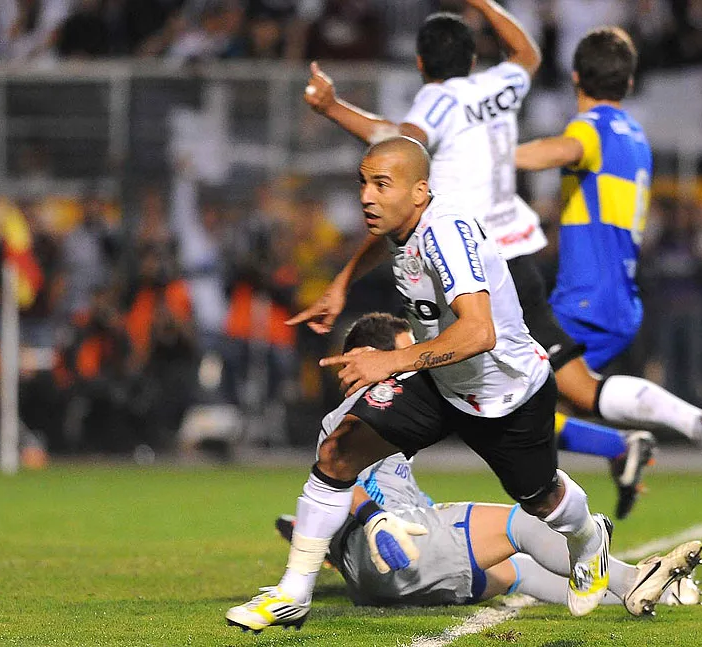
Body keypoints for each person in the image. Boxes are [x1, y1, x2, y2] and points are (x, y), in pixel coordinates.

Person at [302, 3, 702, 514]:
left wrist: (332, 107)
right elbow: (527, 53)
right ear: (474, 58)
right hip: (517, 257)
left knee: (471, 375)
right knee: (555, 386)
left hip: (470, 260)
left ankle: (354, 496)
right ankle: (635, 443)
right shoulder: (499, 87)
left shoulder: (437, 99)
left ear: (420, 64)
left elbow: (399, 143)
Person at [226, 137, 610, 633]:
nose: (367, 196)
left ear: (420, 192)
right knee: (338, 455)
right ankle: (293, 594)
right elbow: (379, 239)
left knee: (542, 500)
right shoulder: (401, 219)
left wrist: (393, 361)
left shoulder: (445, 235)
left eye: (381, 184)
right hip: (442, 380)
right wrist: (342, 283)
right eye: (363, 183)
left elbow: (479, 331)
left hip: (506, 393)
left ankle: (589, 539)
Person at [272, 312, 702, 616]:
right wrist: (370, 518)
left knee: (517, 572)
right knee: (528, 524)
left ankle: (662, 592)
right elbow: (341, 484)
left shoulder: (391, 416)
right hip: (395, 551)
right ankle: (631, 581)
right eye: (404, 354)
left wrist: (318, 535)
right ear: (370, 357)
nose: (414, 363)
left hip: (383, 575)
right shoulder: (354, 416)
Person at [515, 27, 702, 491]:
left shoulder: (590, 128)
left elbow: (566, 149)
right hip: (620, 295)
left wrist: (494, 157)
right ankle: (634, 444)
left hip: (585, 296)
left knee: (512, 408)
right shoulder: (636, 137)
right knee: (546, 405)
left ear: (574, 78)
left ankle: (691, 426)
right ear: (628, 83)